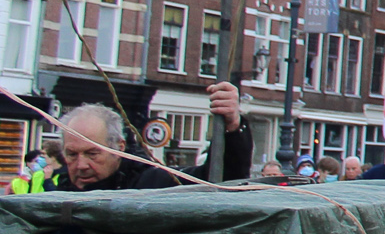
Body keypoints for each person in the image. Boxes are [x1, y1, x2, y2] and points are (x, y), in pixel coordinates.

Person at [53, 85, 251, 190]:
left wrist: (233, 126)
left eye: (92, 153)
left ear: (119, 147)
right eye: (71, 154)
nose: (81, 165)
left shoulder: (153, 185)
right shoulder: (53, 198)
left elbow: (220, 179)